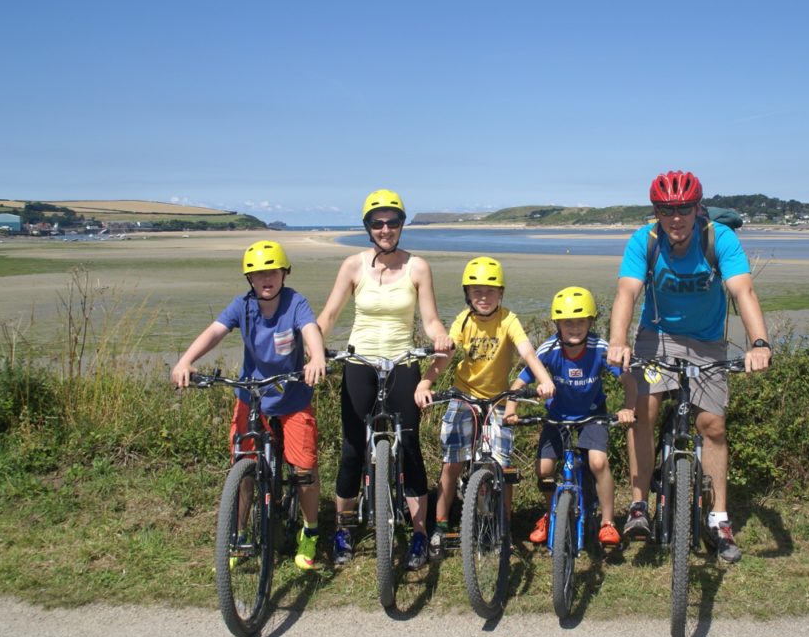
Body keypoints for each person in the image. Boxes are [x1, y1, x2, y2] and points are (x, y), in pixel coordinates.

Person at [607, 169, 771, 563]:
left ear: (698, 208)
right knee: (643, 412)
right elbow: (627, 293)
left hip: (707, 341)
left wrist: (759, 343)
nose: (675, 218)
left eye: (683, 209)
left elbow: (742, 289)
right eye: (666, 210)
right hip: (657, 336)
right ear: (657, 213)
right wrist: (618, 342)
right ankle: (638, 507)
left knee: (711, 425)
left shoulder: (719, 239)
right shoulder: (643, 242)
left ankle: (718, 519)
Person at [316, 189, 452, 572]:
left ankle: (420, 534)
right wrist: (313, 349)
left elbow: (430, 320)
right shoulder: (353, 266)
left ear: (402, 225)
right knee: (351, 450)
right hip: (360, 361)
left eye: (393, 222)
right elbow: (328, 316)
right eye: (377, 223)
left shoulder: (418, 267)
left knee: (408, 445)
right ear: (367, 227)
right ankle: (342, 530)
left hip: (403, 363)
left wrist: (440, 336)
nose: (386, 228)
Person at [171, 240, 327, 571]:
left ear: (284, 273)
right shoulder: (242, 306)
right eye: (257, 274)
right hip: (251, 394)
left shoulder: (295, 303)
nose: (265, 279)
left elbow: (311, 330)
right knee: (243, 466)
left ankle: (310, 530)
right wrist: (185, 361)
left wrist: (317, 357)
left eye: (272, 271)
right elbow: (214, 333)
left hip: (292, 396)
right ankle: (240, 534)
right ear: (249, 280)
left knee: (303, 469)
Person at [414, 256, 556, 560]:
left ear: (501, 293)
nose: (483, 297)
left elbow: (528, 352)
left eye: (490, 291)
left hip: (498, 401)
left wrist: (544, 380)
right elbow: (445, 357)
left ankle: (501, 526)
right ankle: (440, 526)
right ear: (467, 294)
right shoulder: (463, 321)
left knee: (501, 467)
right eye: (476, 291)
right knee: (451, 463)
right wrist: (425, 383)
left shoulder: (508, 320)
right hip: (464, 397)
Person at [504, 286, 637, 548]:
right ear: (557, 324)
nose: (574, 328)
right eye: (567, 322)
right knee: (544, 469)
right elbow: (520, 382)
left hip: (592, 414)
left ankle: (608, 522)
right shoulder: (549, 350)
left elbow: (628, 382)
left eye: (580, 321)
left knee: (598, 463)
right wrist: (511, 409)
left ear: (590, 322)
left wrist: (628, 408)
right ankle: (550, 513)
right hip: (558, 416)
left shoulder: (600, 348)